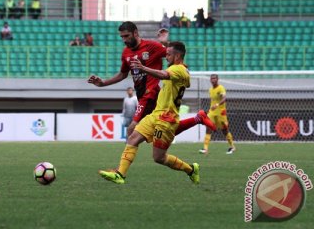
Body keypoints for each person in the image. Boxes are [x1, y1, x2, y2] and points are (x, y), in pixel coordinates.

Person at [87, 21, 216, 140]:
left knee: (131, 130)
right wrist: (103, 83)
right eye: (122, 37)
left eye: (126, 36)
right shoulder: (126, 53)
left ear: (135, 33)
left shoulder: (151, 46)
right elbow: (122, 74)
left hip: (151, 92)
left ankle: (122, 165)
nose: (124, 40)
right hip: (144, 94)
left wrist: (165, 43)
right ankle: (197, 119)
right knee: (165, 129)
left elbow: (173, 55)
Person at [99, 41, 201, 184]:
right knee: (133, 137)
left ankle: (191, 169)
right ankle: (120, 174)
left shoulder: (179, 69)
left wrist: (143, 68)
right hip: (156, 115)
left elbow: (163, 74)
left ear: (178, 55)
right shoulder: (180, 71)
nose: (166, 57)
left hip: (166, 118)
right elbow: (183, 81)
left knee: (159, 157)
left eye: (169, 54)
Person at [199, 74, 236, 155]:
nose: (213, 80)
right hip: (212, 112)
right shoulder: (210, 90)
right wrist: (213, 107)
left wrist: (217, 104)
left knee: (224, 130)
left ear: (217, 79)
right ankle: (205, 148)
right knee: (208, 127)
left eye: (214, 78)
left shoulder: (221, 88)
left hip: (221, 112)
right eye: (211, 78)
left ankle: (232, 147)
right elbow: (213, 101)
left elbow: (224, 98)